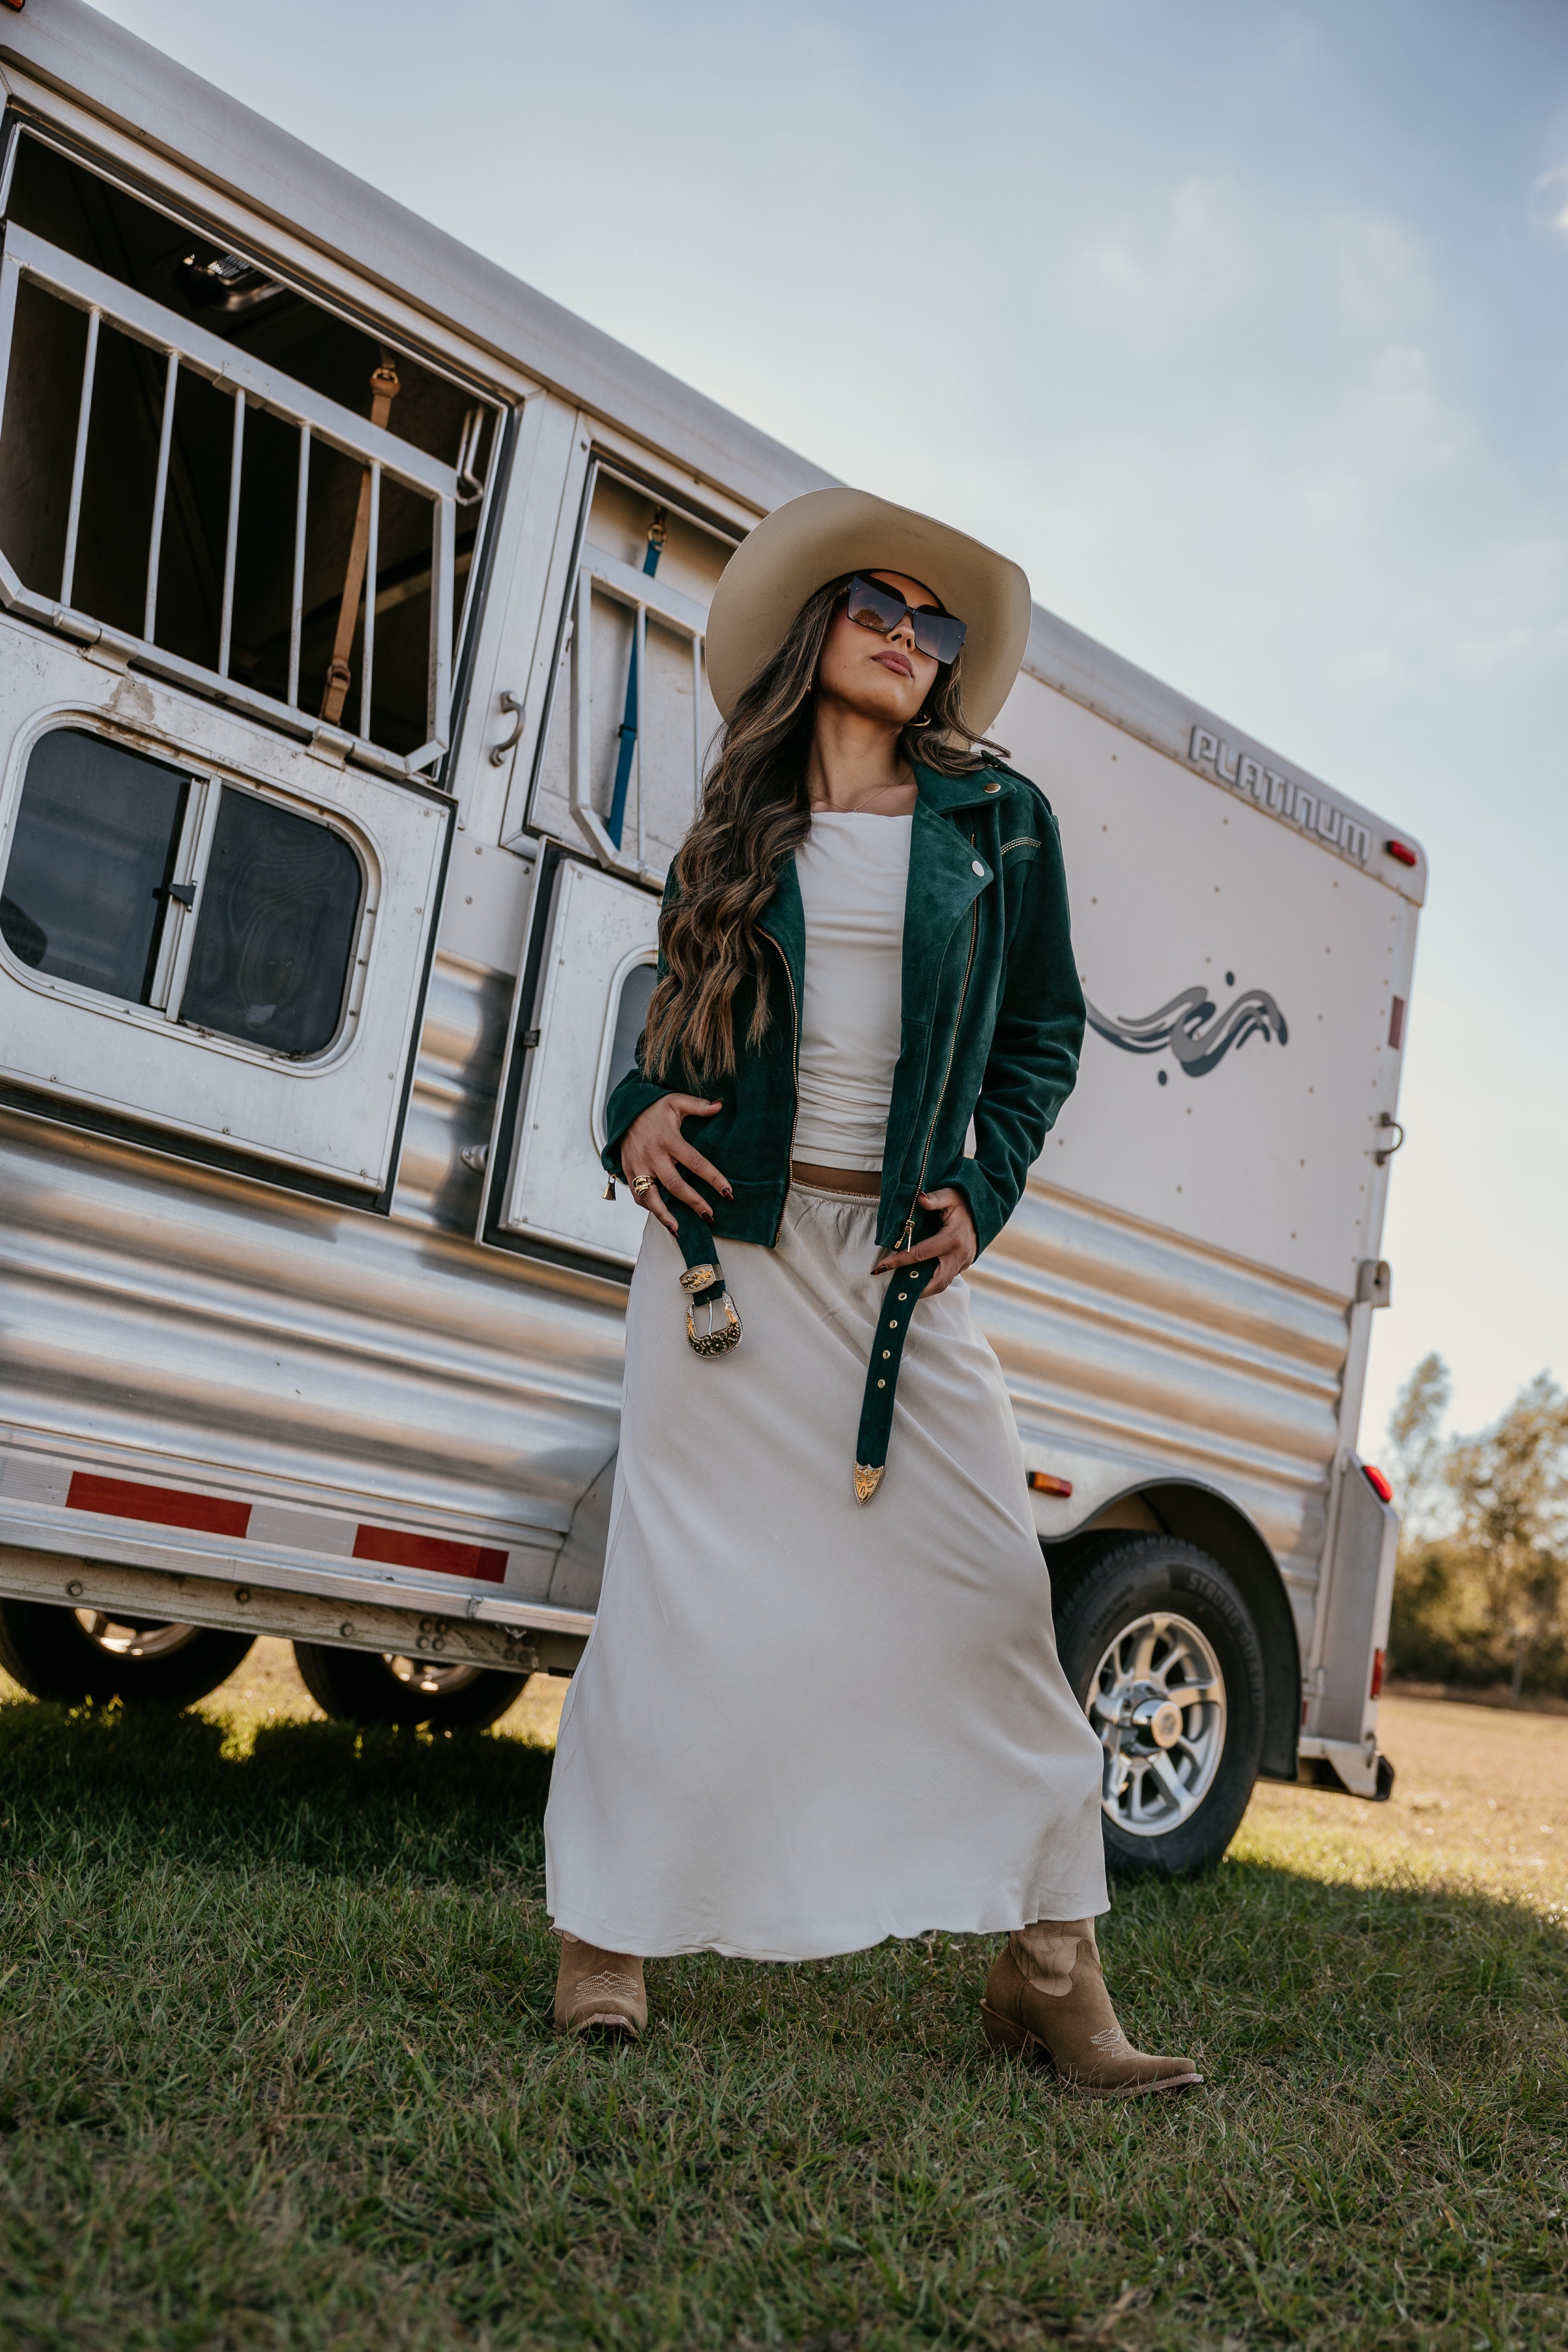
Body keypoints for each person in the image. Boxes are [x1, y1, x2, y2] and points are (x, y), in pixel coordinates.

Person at [542, 487, 1199, 2098]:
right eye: (880, 608)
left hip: (893, 1277)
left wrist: (983, 1186)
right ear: (820, 629)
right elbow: (664, 1014)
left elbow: (1045, 1031)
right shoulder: (738, 814)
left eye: (938, 624)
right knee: (676, 1612)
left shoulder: (1001, 820)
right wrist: (624, 1113)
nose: (910, 637)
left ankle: (1048, 1975)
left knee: (992, 1597)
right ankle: (607, 1937)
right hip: (724, 1268)